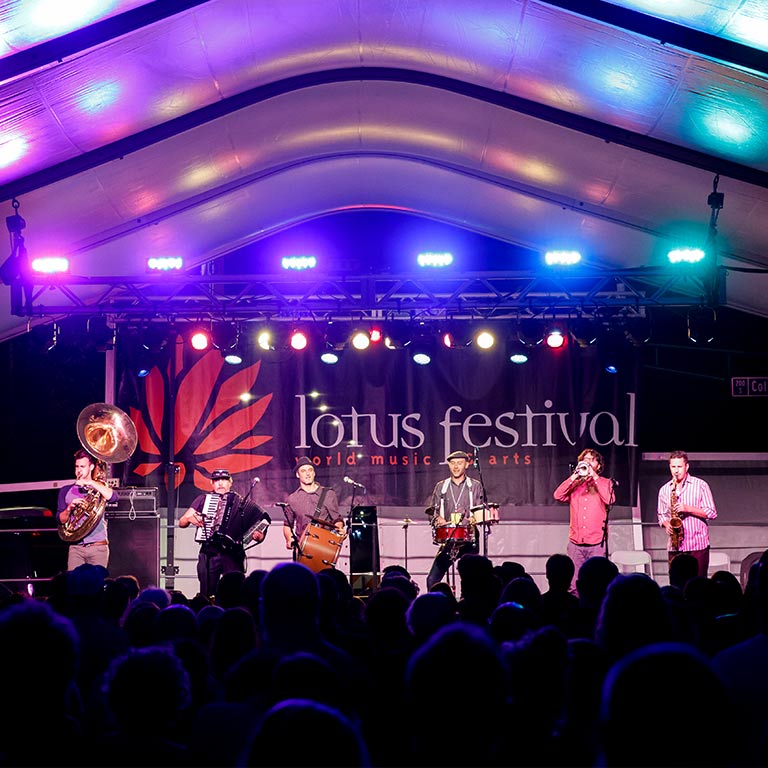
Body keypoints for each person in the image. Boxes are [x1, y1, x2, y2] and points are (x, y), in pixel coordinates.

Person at [179, 468, 269, 599]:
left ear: (230, 482)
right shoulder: (203, 499)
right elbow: (182, 522)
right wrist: (189, 519)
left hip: (233, 553)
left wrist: (259, 538)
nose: (220, 483)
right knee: (207, 592)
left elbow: (259, 526)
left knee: (235, 592)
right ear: (211, 483)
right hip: (210, 552)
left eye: (224, 480)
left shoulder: (241, 503)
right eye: (216, 480)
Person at [553, 448, 615, 580]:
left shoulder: (605, 483)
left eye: (592, 460)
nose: (588, 463)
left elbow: (610, 499)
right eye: (585, 460)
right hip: (576, 543)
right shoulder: (575, 485)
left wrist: (595, 477)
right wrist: (574, 476)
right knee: (574, 582)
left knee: (598, 581)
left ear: (598, 466)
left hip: (597, 544)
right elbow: (558, 495)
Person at [425, 450, 480, 591]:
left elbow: (481, 510)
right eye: (453, 463)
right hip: (449, 537)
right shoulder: (441, 486)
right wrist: (437, 519)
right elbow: (432, 511)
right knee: (432, 579)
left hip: (469, 537)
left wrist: (476, 518)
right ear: (449, 465)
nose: (456, 467)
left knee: (472, 579)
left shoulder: (475, 486)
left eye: (460, 463)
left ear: (466, 465)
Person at [657, 450, 717, 578]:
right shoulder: (664, 489)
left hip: (697, 544)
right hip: (675, 546)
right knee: (677, 584)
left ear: (687, 466)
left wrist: (688, 508)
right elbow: (661, 514)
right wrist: (666, 524)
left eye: (679, 466)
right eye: (673, 467)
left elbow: (712, 512)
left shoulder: (700, 485)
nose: (676, 470)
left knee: (699, 584)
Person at [57, 447, 118, 571]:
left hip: (98, 548)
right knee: (74, 585)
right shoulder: (65, 490)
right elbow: (61, 520)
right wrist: (69, 508)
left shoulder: (98, 488)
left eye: (82, 467)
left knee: (97, 586)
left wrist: (91, 483)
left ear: (91, 467)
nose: (78, 470)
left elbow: (113, 497)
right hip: (76, 548)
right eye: (77, 467)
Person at [282, 458, 344, 559]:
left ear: (314, 473)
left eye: (310, 470)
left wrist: (340, 529)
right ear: (298, 475)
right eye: (303, 471)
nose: (307, 474)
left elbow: (337, 519)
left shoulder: (328, 494)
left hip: (324, 547)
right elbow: (287, 525)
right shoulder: (292, 499)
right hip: (302, 548)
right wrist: (289, 539)